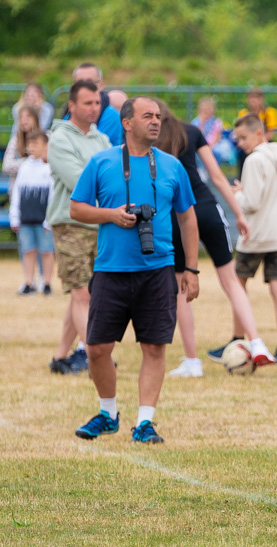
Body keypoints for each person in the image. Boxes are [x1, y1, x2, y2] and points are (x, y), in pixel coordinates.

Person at [69, 96, 199, 444]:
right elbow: (77, 209)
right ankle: (107, 413)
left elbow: (187, 218)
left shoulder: (172, 166)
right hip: (111, 269)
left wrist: (192, 269)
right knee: (96, 348)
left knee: (155, 347)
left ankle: (145, 422)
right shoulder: (102, 162)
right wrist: (111, 215)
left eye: (158, 116)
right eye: (147, 116)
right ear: (127, 123)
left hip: (158, 269)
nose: (156, 121)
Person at [152, 100, 274, 376]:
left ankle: (192, 361)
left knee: (182, 287)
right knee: (231, 281)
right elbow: (218, 177)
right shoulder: (191, 131)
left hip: (174, 214)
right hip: (206, 207)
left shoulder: (150, 138)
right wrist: (238, 215)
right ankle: (256, 343)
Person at [46, 80, 111, 375]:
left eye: (97, 103)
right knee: (82, 293)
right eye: (88, 103)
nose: (94, 108)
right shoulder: (60, 138)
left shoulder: (100, 138)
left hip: (98, 222)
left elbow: (112, 173)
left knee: (82, 294)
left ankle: (61, 357)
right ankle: (91, 353)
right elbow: (79, 181)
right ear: (71, 105)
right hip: (70, 223)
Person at [216, 114, 277, 366]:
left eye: (243, 137)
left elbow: (252, 203)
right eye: (237, 138)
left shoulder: (254, 160)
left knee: (237, 285)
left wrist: (236, 194)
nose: (239, 143)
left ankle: (237, 339)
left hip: (255, 234)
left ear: (259, 134)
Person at [9, 132, 55, 296]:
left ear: (45, 146)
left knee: (47, 251)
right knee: (28, 250)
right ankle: (29, 282)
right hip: (26, 218)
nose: (31, 148)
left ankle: (47, 282)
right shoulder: (24, 167)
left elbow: (53, 195)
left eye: (36, 144)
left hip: (43, 219)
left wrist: (49, 220)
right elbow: (17, 193)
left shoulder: (50, 168)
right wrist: (15, 216)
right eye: (30, 144)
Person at [62, 62, 123, 146]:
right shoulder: (70, 114)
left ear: (101, 86)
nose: (84, 88)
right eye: (79, 83)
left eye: (90, 82)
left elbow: (91, 148)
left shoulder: (111, 116)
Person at [235, 88, 277, 177]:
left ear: (261, 99)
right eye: (251, 98)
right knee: (241, 153)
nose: (253, 101)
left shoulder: (269, 112)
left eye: (256, 98)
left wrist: (259, 145)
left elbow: (270, 132)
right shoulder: (244, 113)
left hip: (264, 142)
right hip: (249, 142)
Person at [193, 97, 235, 166]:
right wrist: (202, 122)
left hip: (213, 146)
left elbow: (217, 136)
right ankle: (202, 169)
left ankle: (214, 168)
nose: (207, 112)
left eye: (208, 109)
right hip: (200, 145)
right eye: (204, 110)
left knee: (215, 153)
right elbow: (196, 134)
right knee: (199, 153)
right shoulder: (197, 122)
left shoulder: (216, 122)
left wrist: (211, 146)